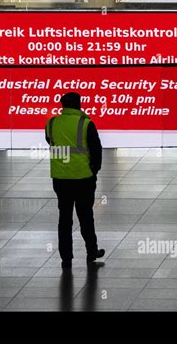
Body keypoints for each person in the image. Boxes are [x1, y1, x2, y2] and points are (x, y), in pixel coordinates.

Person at [45, 92, 105, 268]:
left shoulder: (52, 123)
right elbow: (96, 150)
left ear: (62, 105)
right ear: (79, 104)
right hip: (83, 178)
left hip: (60, 179)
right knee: (86, 216)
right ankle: (91, 251)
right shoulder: (86, 124)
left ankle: (66, 257)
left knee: (64, 218)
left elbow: (50, 142)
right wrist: (94, 171)